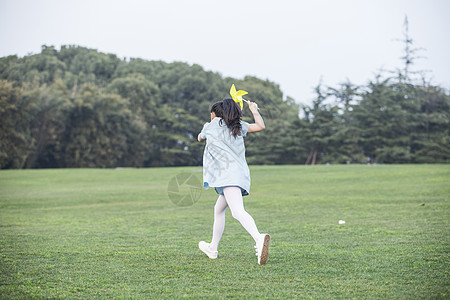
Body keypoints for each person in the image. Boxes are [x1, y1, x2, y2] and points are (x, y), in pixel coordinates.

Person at [197, 97, 270, 265]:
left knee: (237, 211)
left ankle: (259, 238)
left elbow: (200, 138)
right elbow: (260, 126)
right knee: (218, 209)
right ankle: (213, 248)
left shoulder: (210, 126)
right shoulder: (237, 126)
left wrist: (204, 131)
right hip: (239, 174)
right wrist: (254, 109)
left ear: (214, 114)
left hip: (227, 176)